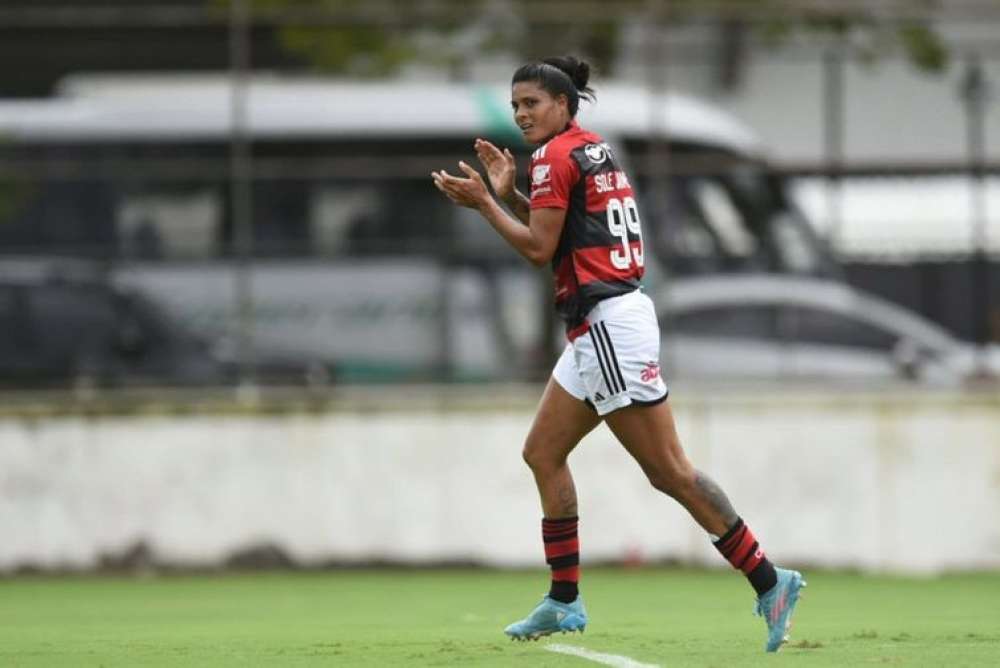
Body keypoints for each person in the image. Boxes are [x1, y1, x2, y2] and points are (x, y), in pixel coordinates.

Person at [431, 56, 805, 653]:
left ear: (562, 104)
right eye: (516, 105)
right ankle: (563, 599)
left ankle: (769, 580)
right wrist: (511, 194)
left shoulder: (555, 157)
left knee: (669, 472)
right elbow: (566, 238)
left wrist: (485, 204)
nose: (521, 114)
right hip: (601, 324)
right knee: (542, 452)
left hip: (608, 325)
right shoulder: (589, 150)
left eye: (532, 103)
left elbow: (537, 250)